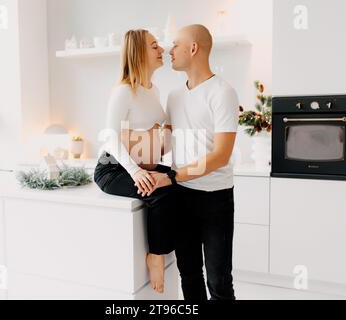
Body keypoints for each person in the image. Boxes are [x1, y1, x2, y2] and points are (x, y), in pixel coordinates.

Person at [146, 24, 239, 300]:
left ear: (194, 48)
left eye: (176, 45)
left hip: (215, 199)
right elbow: (166, 142)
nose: (169, 50)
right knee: (189, 274)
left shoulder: (223, 92)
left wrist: (173, 177)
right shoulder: (174, 96)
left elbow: (221, 155)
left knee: (219, 281)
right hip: (181, 197)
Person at [93, 29, 176, 293]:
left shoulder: (154, 90)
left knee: (178, 181)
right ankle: (156, 255)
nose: (161, 49)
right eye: (154, 46)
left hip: (139, 164)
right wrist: (136, 172)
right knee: (159, 192)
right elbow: (109, 137)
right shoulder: (124, 91)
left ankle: (177, 252)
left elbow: (162, 128)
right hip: (113, 168)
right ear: (139, 53)